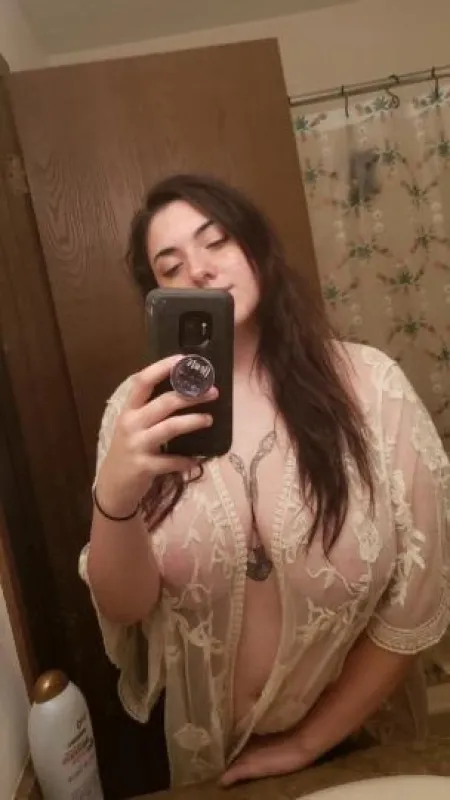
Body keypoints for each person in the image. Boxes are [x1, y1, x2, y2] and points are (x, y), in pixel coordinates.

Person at [80, 173, 450, 788]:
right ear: (159, 298)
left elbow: (418, 598)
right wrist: (114, 497)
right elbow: (127, 605)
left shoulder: (372, 389)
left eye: (215, 240)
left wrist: (308, 742)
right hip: (213, 761)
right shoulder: (139, 410)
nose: (198, 269)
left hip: (364, 744)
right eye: (171, 265)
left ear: (255, 246)